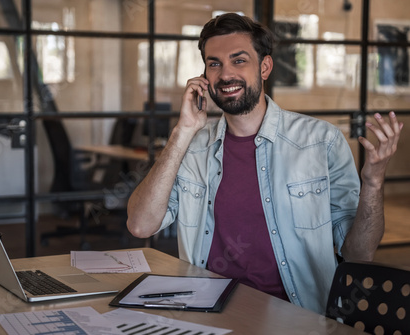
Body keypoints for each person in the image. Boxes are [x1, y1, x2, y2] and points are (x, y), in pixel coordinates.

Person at [126, 13, 403, 314]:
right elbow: (141, 225)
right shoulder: (193, 147)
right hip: (208, 312)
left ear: (266, 67)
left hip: (297, 318)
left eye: (239, 60)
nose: (225, 74)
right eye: (214, 63)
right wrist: (182, 132)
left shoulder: (321, 141)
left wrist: (373, 183)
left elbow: (358, 253)